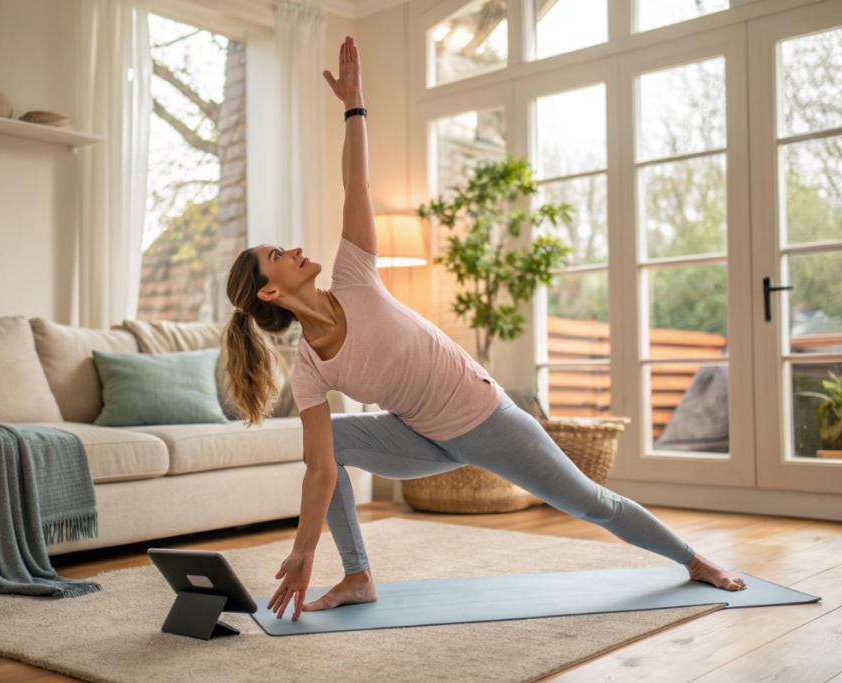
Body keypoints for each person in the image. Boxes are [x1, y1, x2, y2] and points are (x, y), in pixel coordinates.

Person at [220, 35, 747, 623]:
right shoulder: (311, 369)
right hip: (421, 438)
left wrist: (355, 105)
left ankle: (693, 560)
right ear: (271, 290)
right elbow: (320, 470)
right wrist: (303, 550)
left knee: (590, 503)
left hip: (487, 420)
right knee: (330, 444)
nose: (294, 248)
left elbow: (357, 185)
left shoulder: (354, 274)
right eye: (278, 254)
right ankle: (358, 575)